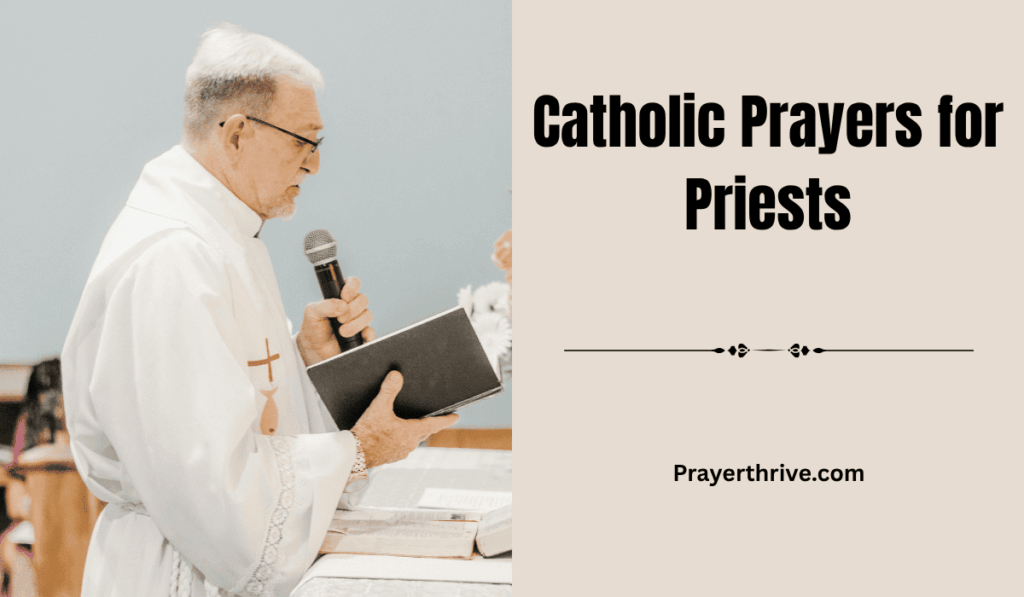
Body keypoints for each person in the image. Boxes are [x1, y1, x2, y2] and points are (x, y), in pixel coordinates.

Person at [61, 24, 457, 597]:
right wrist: (360, 449)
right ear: (239, 133)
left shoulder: (225, 236)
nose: (314, 166)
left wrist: (305, 366)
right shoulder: (173, 258)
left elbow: (243, 424)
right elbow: (214, 495)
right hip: (177, 572)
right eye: (305, 141)